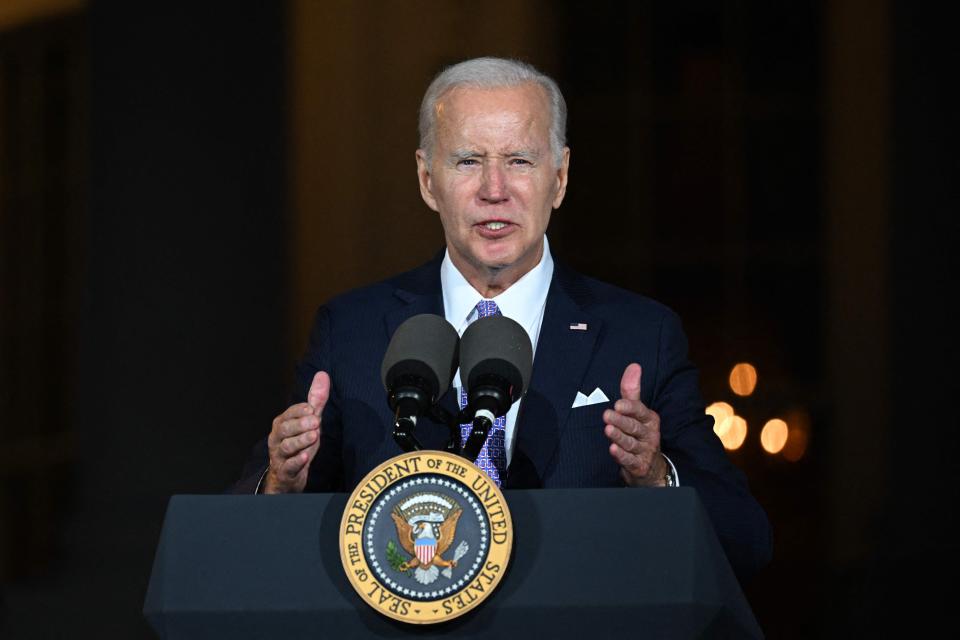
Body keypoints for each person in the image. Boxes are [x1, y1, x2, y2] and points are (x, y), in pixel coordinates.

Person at [232, 57, 771, 581]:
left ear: (559, 178)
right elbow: (238, 544)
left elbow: (744, 542)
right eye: (468, 160)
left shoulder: (640, 334)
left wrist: (656, 478)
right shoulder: (351, 329)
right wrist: (280, 485)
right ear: (426, 180)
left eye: (520, 161)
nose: (495, 188)